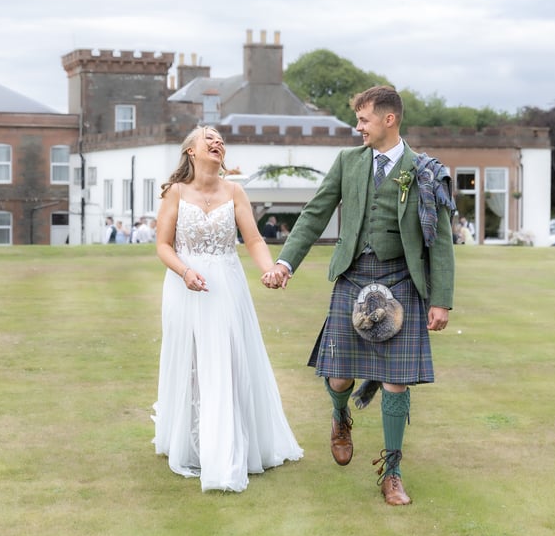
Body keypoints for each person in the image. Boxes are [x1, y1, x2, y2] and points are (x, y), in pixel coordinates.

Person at [262, 86, 456, 506]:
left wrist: (441, 299)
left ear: (389, 119)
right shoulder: (348, 161)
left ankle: (392, 472)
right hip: (352, 278)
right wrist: (285, 263)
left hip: (402, 281)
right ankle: (340, 415)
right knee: (339, 376)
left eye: (364, 119)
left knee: (396, 382)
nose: (358, 127)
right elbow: (315, 213)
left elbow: (440, 240)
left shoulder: (424, 170)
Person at [151, 126, 303, 493]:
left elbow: (253, 239)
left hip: (227, 287)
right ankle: (191, 444)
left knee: (227, 361)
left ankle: (229, 446)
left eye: (220, 139)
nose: (217, 142)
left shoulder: (235, 191)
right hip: (186, 286)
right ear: (191, 151)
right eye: (209, 137)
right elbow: (163, 245)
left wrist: (269, 269)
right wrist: (185, 272)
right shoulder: (176, 192)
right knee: (191, 363)